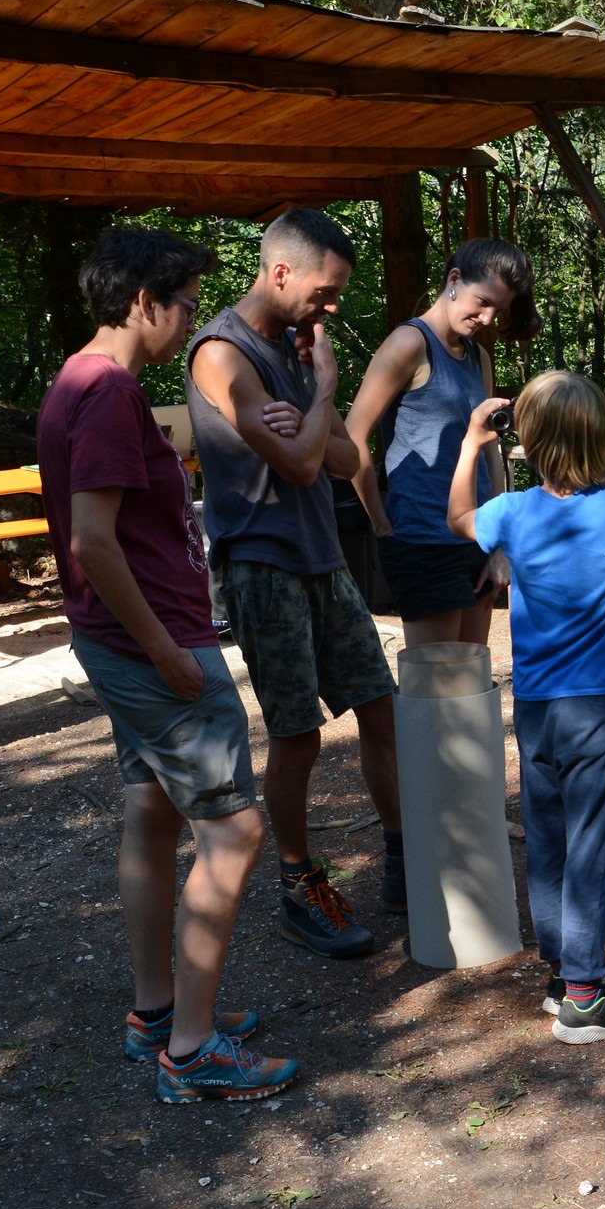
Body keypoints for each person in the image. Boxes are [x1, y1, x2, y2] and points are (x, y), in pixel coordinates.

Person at [37, 227, 296, 1103]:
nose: (190, 323)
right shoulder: (107, 391)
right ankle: (191, 1052)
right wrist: (164, 650)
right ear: (144, 300)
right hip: (153, 644)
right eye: (184, 304)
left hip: (121, 640)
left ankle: (156, 1009)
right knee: (234, 830)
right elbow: (92, 541)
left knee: (150, 811)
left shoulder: (77, 379)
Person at [185, 209, 402, 956]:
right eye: (327, 289)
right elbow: (305, 463)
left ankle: (405, 855)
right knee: (297, 735)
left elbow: (345, 461)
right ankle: (296, 881)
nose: (332, 306)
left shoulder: (289, 349)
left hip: (321, 557)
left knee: (381, 706)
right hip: (262, 563)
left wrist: (313, 404)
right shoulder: (221, 353)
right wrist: (326, 388)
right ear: (281, 273)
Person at [445, 372, 605, 1043]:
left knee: (548, 836)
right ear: (600, 438)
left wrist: (470, 444)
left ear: (527, 442)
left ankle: (565, 969)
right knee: (593, 842)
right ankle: (586, 998)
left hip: (536, 706)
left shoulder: (509, 512)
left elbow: (457, 519)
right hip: (594, 706)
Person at [344, 238, 543, 652]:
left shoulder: (477, 357)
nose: (487, 318)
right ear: (454, 280)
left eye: (498, 310)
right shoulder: (409, 344)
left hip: (476, 539)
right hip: (421, 540)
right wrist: (382, 527)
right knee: (437, 689)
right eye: (482, 302)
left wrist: (498, 541)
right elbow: (352, 437)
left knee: (471, 677)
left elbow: (490, 451)